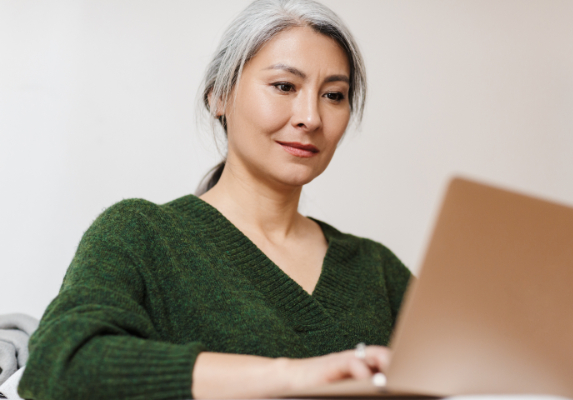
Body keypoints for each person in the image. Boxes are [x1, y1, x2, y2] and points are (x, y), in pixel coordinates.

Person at [18, 0, 412, 399]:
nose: (311, 117)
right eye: (284, 86)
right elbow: (62, 365)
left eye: (333, 95)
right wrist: (294, 377)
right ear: (219, 97)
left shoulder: (376, 268)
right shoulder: (140, 234)